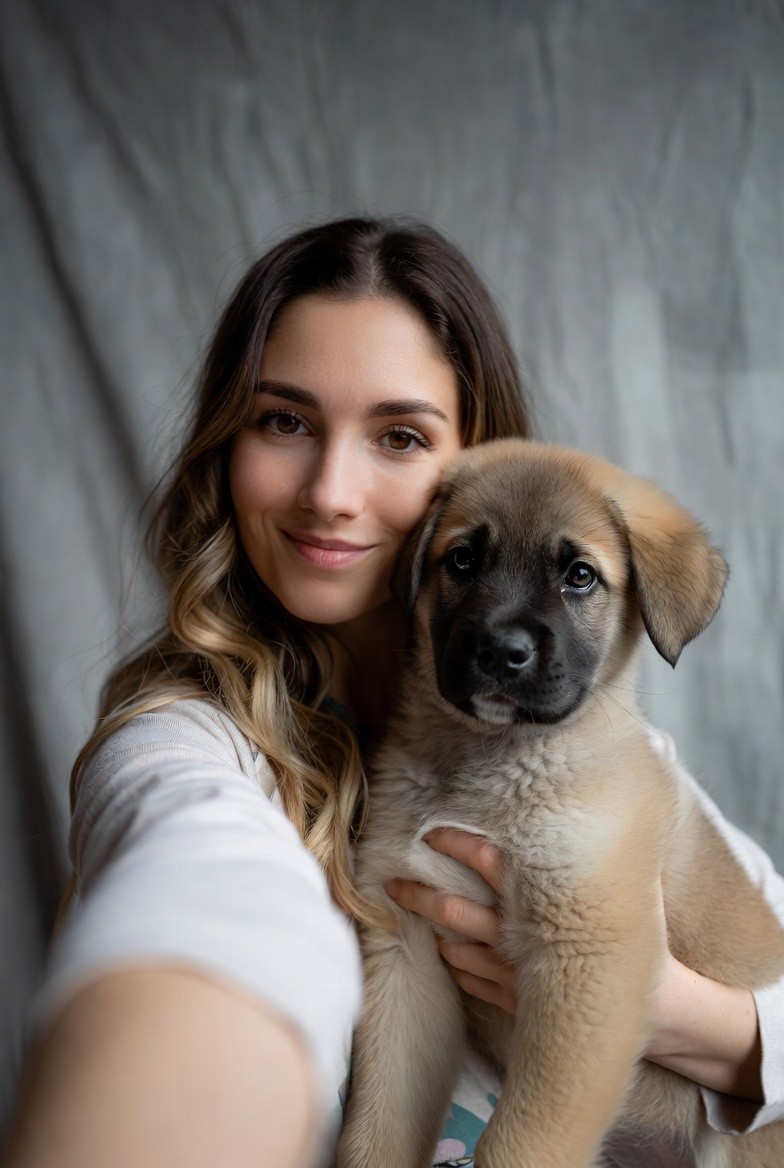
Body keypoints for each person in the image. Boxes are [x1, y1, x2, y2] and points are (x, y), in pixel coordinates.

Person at [4, 217, 784, 1168]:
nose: (331, 491)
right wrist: (183, 1023)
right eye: (284, 420)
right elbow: (208, 903)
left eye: (400, 435)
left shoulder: (606, 752)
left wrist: (693, 1018)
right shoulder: (188, 752)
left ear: (477, 465)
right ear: (227, 443)